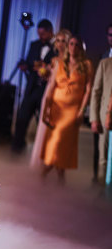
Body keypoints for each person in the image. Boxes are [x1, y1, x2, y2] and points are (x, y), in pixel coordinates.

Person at [39, 35, 93, 181]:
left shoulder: (86, 65)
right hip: (57, 108)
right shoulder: (59, 63)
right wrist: (46, 110)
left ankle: (45, 174)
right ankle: (58, 178)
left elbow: (88, 90)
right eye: (71, 44)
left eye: (77, 45)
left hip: (72, 111)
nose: (73, 47)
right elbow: (51, 88)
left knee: (62, 143)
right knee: (54, 143)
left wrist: (82, 111)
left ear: (81, 48)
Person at [11, 19, 55, 152]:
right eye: (39, 34)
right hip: (32, 87)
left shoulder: (56, 47)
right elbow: (30, 63)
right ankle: (17, 147)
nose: (40, 37)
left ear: (50, 32)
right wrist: (27, 67)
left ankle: (44, 150)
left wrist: (46, 69)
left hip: (46, 89)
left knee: (43, 122)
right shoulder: (34, 44)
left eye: (43, 34)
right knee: (22, 116)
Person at [30, 28, 71, 169]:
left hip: (62, 98)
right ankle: (42, 162)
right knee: (45, 130)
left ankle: (56, 164)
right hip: (49, 95)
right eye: (58, 41)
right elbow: (50, 77)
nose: (60, 44)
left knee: (59, 134)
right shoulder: (53, 60)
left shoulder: (71, 62)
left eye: (63, 41)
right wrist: (45, 73)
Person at [89, 56, 112, 182]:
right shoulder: (105, 64)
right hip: (106, 119)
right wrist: (94, 118)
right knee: (104, 159)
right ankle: (103, 191)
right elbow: (96, 92)